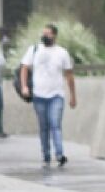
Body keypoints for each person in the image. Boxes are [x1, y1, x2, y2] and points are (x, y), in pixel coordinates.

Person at [20, 24, 76, 167]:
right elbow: (24, 68)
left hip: (56, 95)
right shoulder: (34, 50)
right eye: (43, 33)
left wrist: (73, 95)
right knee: (44, 126)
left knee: (55, 124)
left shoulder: (62, 53)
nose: (45, 36)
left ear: (55, 36)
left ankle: (59, 154)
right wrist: (24, 86)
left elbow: (69, 75)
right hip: (39, 95)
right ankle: (46, 155)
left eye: (48, 34)